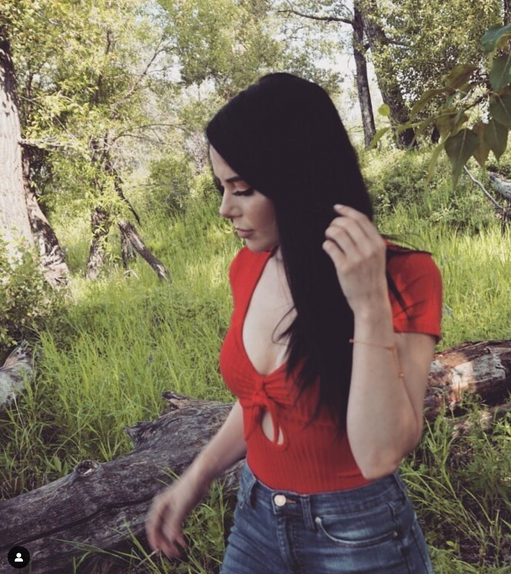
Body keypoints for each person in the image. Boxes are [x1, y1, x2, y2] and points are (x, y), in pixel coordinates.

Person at [146, 72, 442, 574]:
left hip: (358, 537)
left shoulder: (406, 277)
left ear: (297, 180)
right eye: (222, 187)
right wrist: (196, 476)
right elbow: (260, 401)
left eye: (242, 189)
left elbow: (380, 454)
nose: (224, 209)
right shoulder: (248, 267)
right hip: (256, 517)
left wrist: (369, 305)